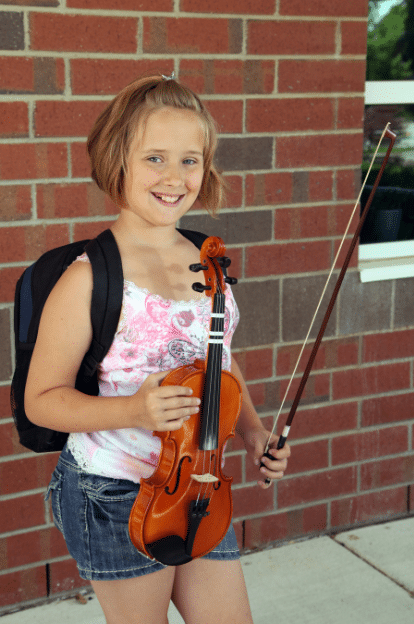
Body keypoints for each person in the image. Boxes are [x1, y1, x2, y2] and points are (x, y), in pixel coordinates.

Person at [25, 74, 291, 624]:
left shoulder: (206, 257)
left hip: (198, 480)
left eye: (190, 160)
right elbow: (41, 399)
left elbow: (218, 363)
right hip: (112, 489)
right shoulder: (89, 279)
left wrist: (253, 431)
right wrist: (134, 410)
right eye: (155, 158)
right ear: (116, 161)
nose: (175, 178)